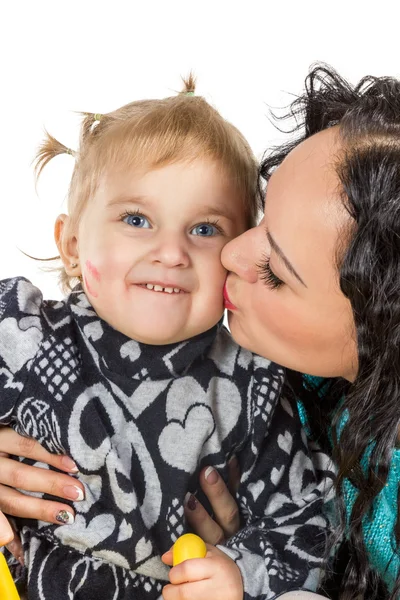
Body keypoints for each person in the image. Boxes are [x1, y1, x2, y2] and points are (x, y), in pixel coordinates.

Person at [1, 63, 399, 600]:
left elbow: (304, 533)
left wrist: (240, 576)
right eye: (137, 219)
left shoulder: (256, 387)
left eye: (206, 229)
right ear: (71, 242)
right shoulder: (20, 330)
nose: (173, 253)